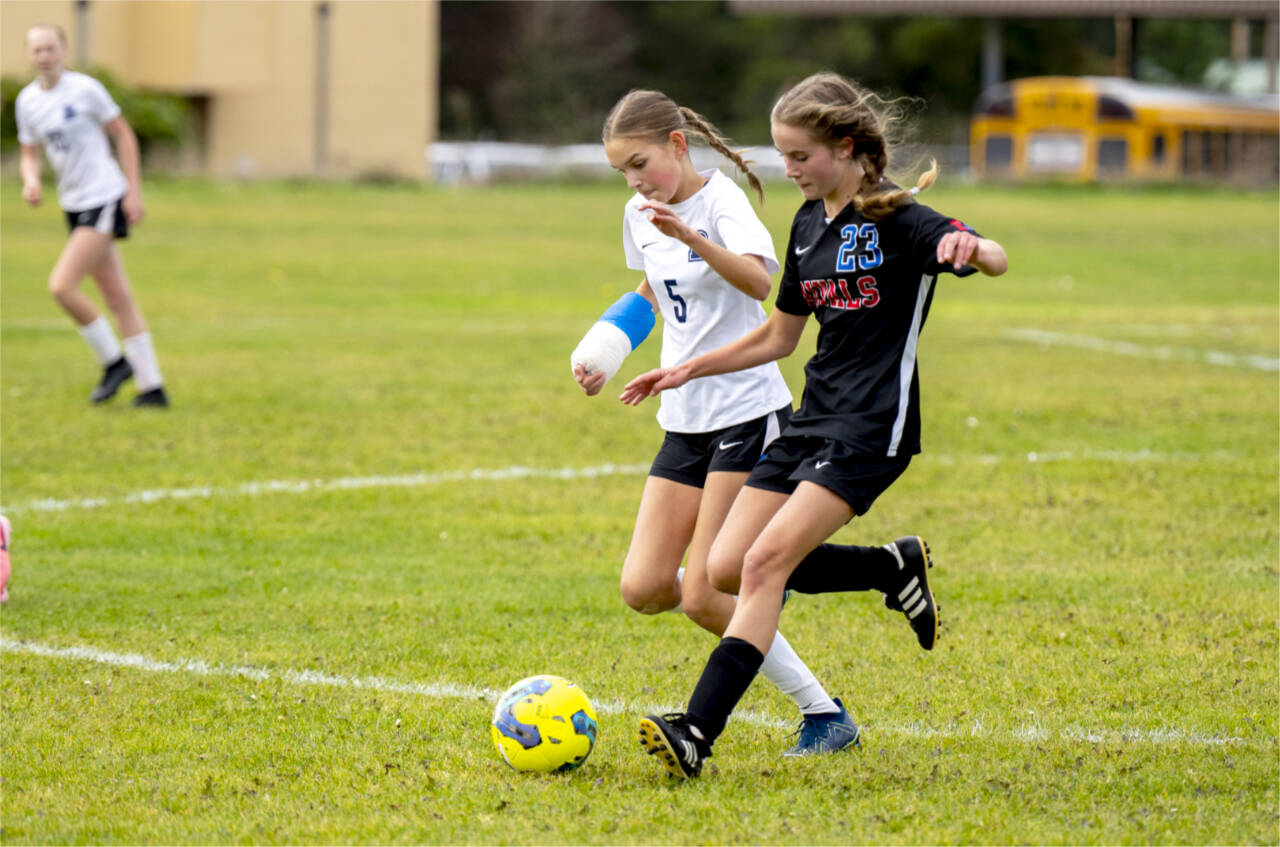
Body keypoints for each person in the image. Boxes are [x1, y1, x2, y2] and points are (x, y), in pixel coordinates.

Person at [620, 72, 1009, 779]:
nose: (788, 170)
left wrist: (971, 250)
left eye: (799, 156)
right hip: (810, 419)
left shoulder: (900, 216)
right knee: (723, 567)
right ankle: (890, 567)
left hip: (871, 428)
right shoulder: (807, 225)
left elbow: (992, 253)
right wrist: (686, 369)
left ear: (848, 146)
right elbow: (778, 338)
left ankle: (697, 732)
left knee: (764, 565)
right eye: (783, 155)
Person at [570, 89, 859, 756]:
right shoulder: (639, 212)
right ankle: (816, 569)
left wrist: (690, 233)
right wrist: (606, 350)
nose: (636, 181)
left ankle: (824, 712)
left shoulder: (721, 202)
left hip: (746, 410)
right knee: (643, 587)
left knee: (706, 591)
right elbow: (654, 289)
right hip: (685, 415)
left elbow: (761, 283)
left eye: (641, 163)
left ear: (678, 144)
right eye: (623, 172)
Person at [16, 23, 168, 407]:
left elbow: (124, 135)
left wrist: (134, 191)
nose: (44, 56)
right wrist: (31, 182)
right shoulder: (27, 102)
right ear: (30, 55)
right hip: (74, 203)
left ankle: (115, 362)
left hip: (104, 196)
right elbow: (30, 152)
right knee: (117, 297)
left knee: (61, 285)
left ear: (63, 51)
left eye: (50, 48)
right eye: (37, 50)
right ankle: (153, 389)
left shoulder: (85, 90)